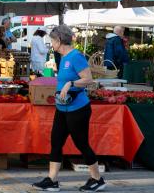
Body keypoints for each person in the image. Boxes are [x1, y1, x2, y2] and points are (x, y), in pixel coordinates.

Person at [32, 25, 105, 192]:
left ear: (59, 41)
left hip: (78, 109)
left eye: (52, 41)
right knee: (56, 142)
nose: (51, 44)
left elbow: (88, 79)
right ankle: (52, 180)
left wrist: (70, 84)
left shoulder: (75, 56)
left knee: (81, 144)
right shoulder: (63, 57)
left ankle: (97, 179)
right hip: (62, 108)